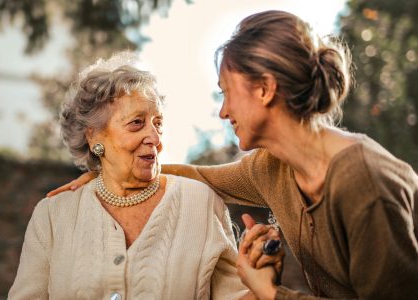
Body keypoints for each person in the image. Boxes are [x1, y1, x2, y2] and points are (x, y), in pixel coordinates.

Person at [47, 11, 418, 299]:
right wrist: (110, 172)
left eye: (226, 92)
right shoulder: (272, 168)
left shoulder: (363, 182)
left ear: (265, 89)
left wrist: (270, 292)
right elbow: (199, 176)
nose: (223, 112)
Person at [8, 52, 283, 299]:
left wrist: (263, 281)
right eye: (136, 123)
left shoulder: (201, 203)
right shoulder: (53, 216)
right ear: (94, 137)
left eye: (158, 123)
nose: (154, 137)